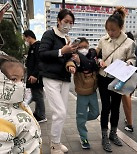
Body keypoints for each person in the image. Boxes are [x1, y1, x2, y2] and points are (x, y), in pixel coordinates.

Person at [96, 7, 136, 152]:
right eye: (108, 30)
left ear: (121, 27)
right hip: (104, 77)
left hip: (119, 79)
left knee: (116, 107)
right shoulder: (103, 40)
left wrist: (129, 63)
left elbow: (133, 58)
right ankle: (104, 136)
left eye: (113, 30)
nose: (110, 33)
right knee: (106, 107)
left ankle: (113, 133)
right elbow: (96, 55)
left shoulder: (129, 42)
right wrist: (99, 60)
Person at [38, 9, 77, 154]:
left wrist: (72, 62)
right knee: (59, 112)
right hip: (51, 78)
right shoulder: (49, 34)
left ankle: (57, 142)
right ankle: (54, 145)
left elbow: (68, 58)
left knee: (63, 112)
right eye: (66, 21)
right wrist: (62, 51)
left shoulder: (67, 38)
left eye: (71, 23)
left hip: (65, 78)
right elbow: (42, 54)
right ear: (59, 20)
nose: (68, 25)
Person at [0, 55, 42, 153]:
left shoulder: (20, 104)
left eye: (22, 79)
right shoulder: (2, 120)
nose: (20, 84)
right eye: (14, 79)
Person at [66, 37, 99, 149]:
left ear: (88, 45)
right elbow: (70, 62)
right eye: (80, 47)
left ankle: (80, 120)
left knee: (95, 114)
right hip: (81, 93)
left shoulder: (93, 55)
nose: (83, 49)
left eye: (85, 46)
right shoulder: (74, 56)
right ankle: (83, 137)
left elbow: (94, 64)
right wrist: (71, 65)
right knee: (81, 116)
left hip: (92, 91)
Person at [23, 29, 47, 123]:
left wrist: (34, 75)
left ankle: (41, 115)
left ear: (29, 37)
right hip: (32, 75)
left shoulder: (38, 46)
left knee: (38, 95)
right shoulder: (33, 47)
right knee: (36, 95)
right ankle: (37, 113)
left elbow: (39, 62)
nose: (25, 41)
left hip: (36, 76)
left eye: (25, 38)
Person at [122, 32, 137, 133]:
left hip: (128, 76)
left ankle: (130, 123)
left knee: (126, 98)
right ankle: (128, 119)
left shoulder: (130, 47)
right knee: (128, 97)